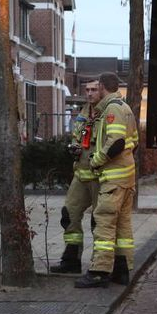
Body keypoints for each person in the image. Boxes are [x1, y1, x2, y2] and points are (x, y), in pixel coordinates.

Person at [75, 72, 140, 288]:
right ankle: (122, 270)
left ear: (102, 86)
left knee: (103, 221)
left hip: (113, 179)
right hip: (126, 178)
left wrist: (96, 160)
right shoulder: (126, 108)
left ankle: (99, 272)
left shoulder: (111, 109)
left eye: (97, 87)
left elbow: (117, 143)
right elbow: (134, 141)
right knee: (122, 226)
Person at [50, 79, 101, 274]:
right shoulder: (83, 112)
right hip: (80, 174)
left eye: (94, 89)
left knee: (98, 221)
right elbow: (78, 137)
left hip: (99, 176)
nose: (89, 93)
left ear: (102, 90)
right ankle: (71, 260)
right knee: (69, 213)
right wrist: (75, 148)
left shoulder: (108, 112)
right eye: (87, 89)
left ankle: (100, 264)